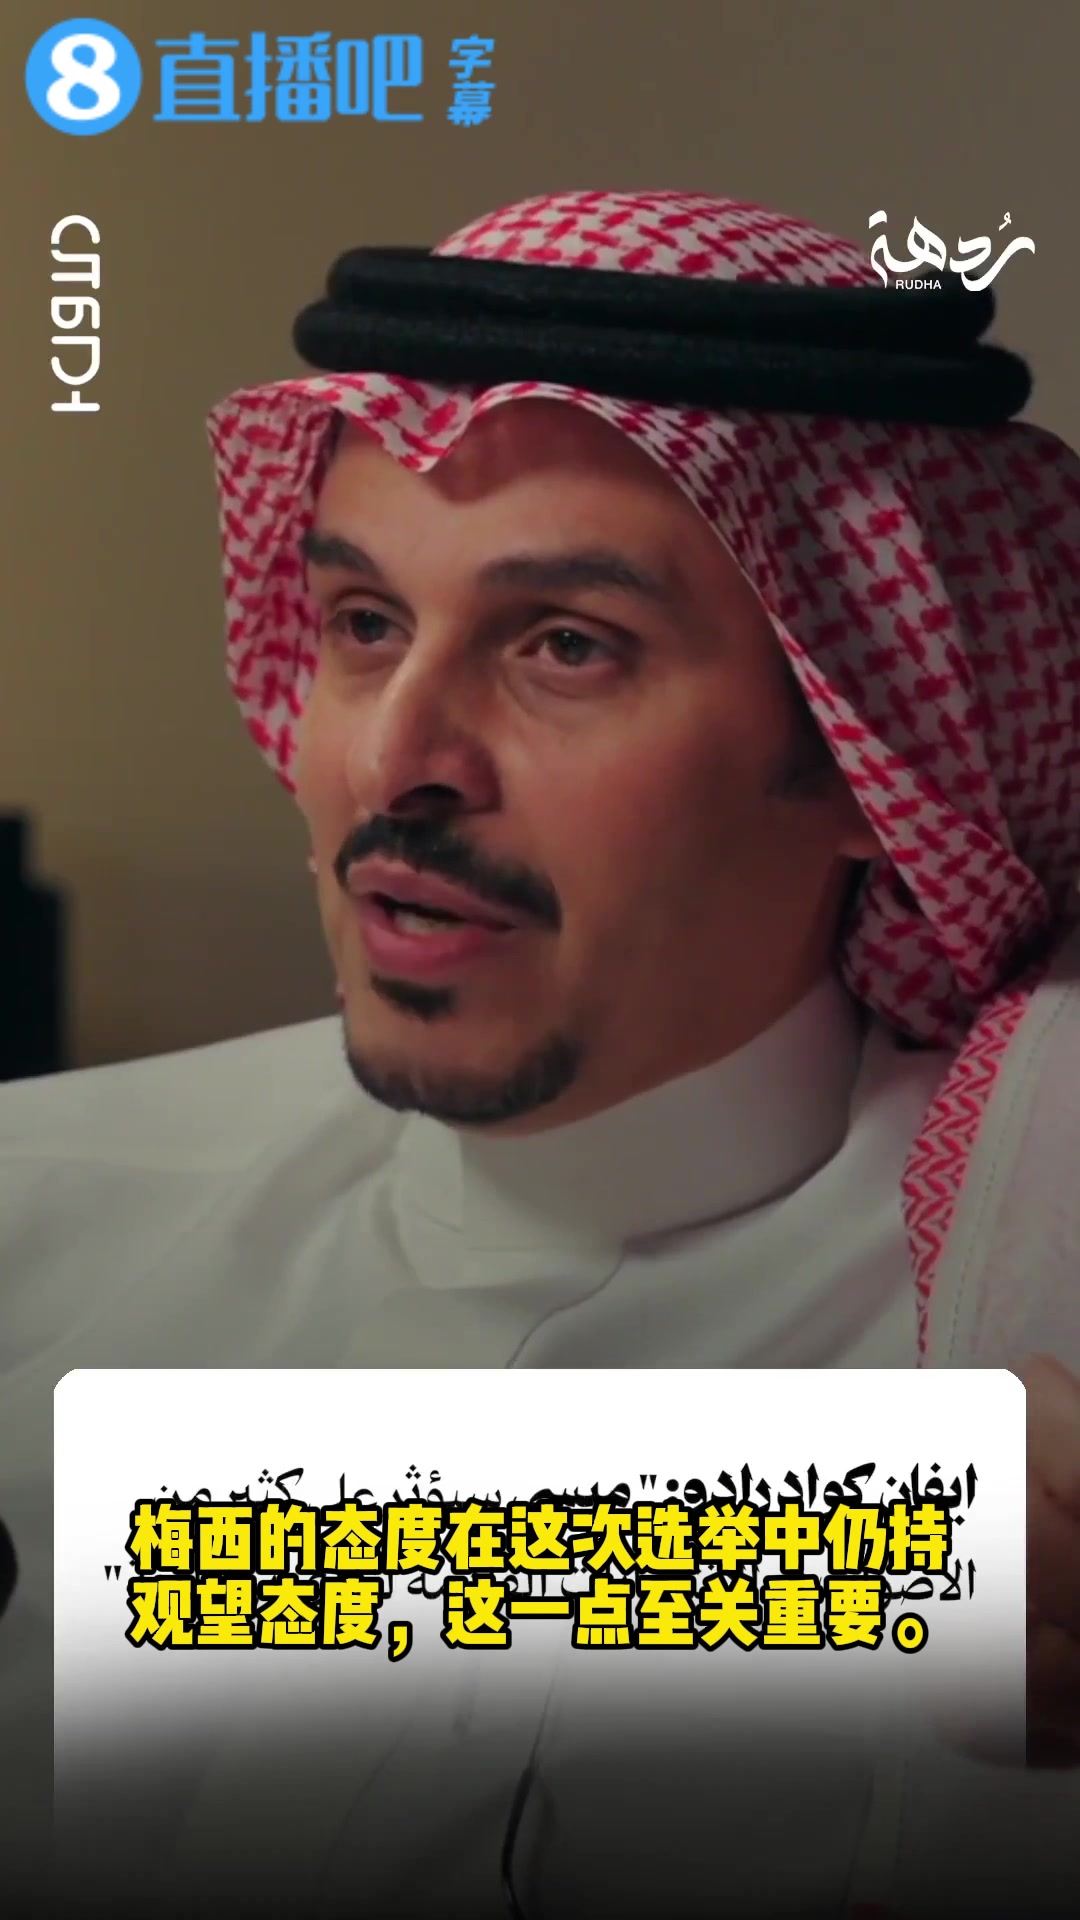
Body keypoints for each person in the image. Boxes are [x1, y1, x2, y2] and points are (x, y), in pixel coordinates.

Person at [2, 187, 1080, 1917]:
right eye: (364, 624)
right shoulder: (34, 1214)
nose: (396, 759)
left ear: (867, 748)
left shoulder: (1033, 1263)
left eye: (566, 646)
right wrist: (854, 1558)